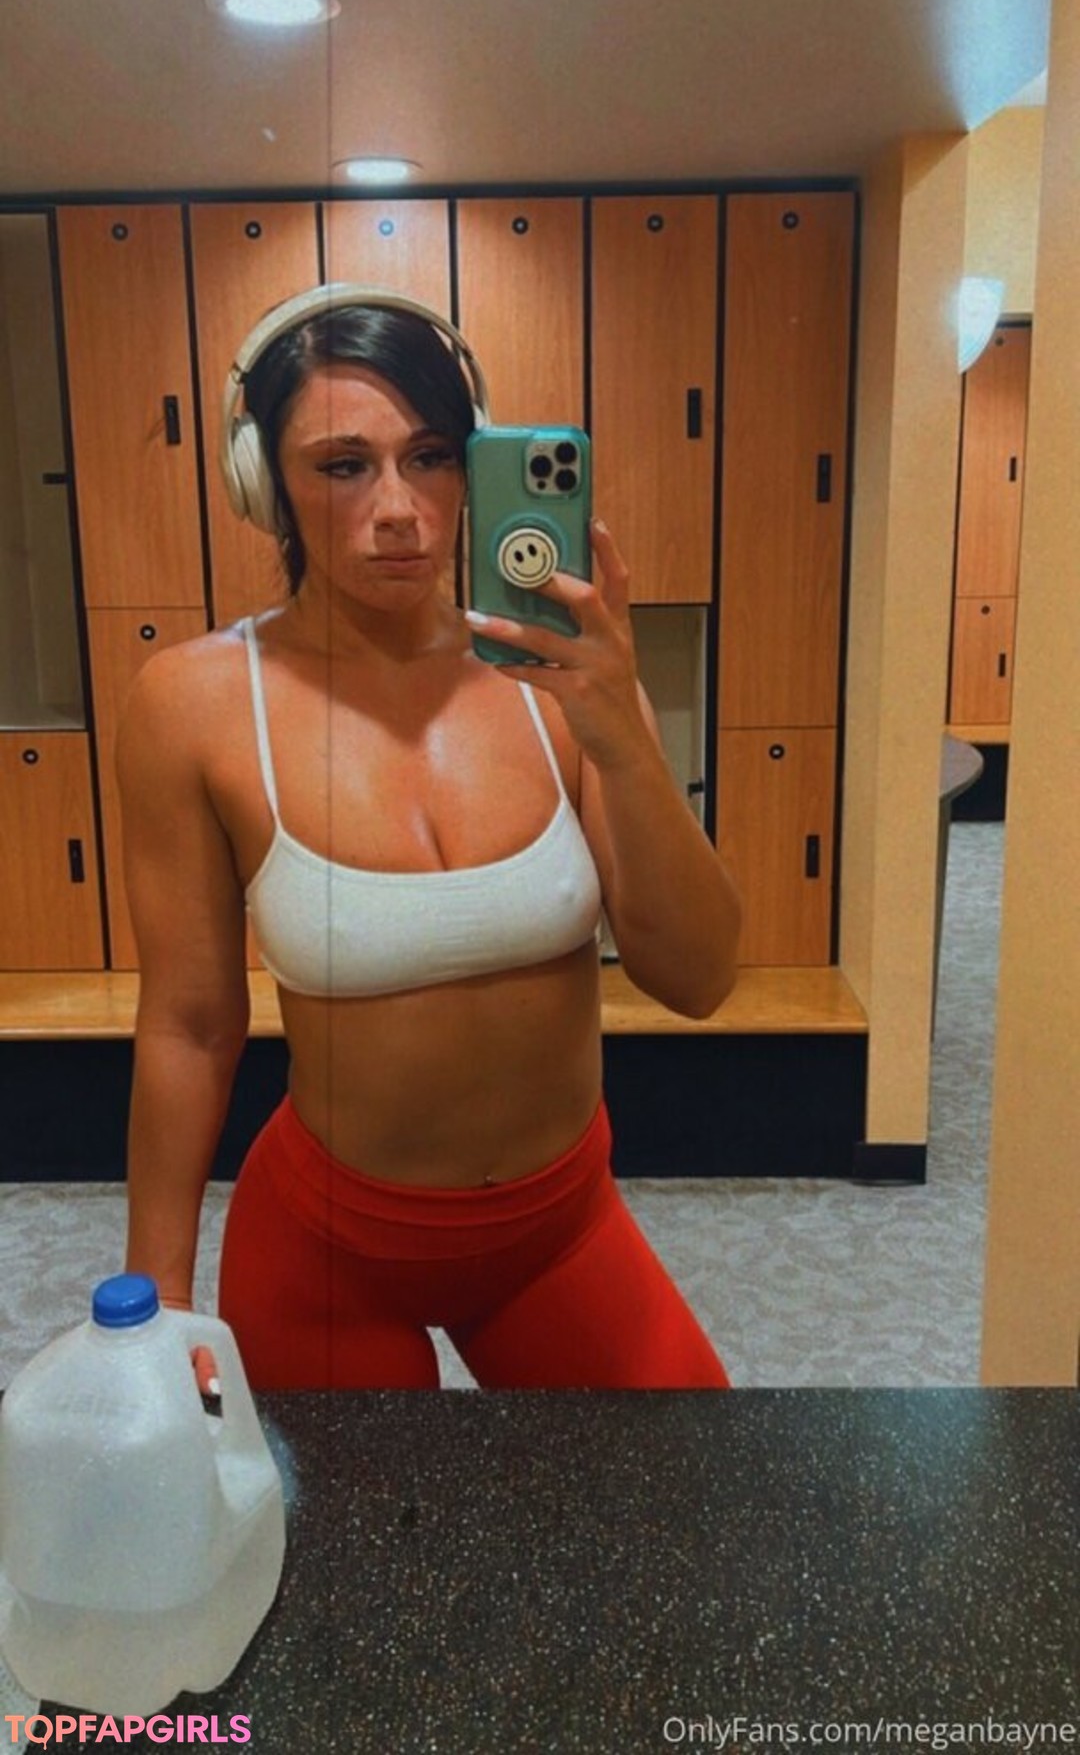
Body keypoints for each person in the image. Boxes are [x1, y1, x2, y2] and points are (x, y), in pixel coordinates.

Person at [120, 286, 741, 1390]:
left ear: (475, 467)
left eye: (431, 457)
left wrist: (626, 739)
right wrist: (155, 1302)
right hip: (327, 1250)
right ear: (265, 483)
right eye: (342, 465)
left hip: (559, 1229)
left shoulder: (565, 684)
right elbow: (190, 1023)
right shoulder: (197, 704)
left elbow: (698, 978)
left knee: (690, 1487)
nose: (399, 508)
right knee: (341, 1513)